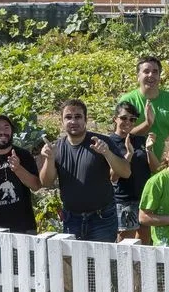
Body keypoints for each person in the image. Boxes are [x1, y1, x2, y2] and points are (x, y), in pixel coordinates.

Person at [38, 99, 130, 242]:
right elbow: (46, 182)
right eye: (68, 117)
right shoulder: (57, 148)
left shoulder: (101, 142)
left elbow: (126, 172)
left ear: (85, 120)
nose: (73, 121)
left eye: (78, 117)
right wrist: (49, 159)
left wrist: (107, 153)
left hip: (102, 218)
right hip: (71, 219)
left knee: (101, 257)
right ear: (62, 121)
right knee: (73, 257)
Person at [120, 56, 169, 160]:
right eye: (146, 71)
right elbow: (121, 136)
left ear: (159, 76)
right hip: (137, 161)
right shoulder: (128, 101)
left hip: (166, 162)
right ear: (138, 76)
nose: (151, 75)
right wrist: (147, 124)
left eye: (155, 72)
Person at [109, 102, 158, 242]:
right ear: (115, 119)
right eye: (124, 118)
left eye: (132, 119)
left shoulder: (140, 140)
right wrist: (129, 155)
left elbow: (155, 169)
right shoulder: (110, 142)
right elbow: (112, 177)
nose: (128, 122)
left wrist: (149, 150)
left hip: (144, 198)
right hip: (124, 199)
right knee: (126, 242)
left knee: (144, 239)